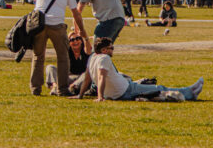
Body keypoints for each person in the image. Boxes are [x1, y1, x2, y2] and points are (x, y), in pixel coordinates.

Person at [73, 37, 204, 102]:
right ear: (104, 50)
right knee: (160, 88)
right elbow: (101, 77)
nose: (113, 50)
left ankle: (188, 91)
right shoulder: (104, 58)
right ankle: (190, 92)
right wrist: (100, 97)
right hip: (126, 90)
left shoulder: (92, 57)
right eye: (111, 48)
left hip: (124, 88)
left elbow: (88, 79)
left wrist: (80, 95)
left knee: (149, 87)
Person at [30, 0, 89, 96]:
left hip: (38, 25)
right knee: (63, 57)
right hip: (56, 25)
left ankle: (35, 88)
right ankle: (62, 89)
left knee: (38, 56)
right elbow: (75, 13)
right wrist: (82, 30)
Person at [46, 29, 92, 93]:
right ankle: (55, 87)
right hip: (68, 77)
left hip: (81, 78)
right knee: (50, 67)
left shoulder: (85, 50)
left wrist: (86, 38)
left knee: (88, 73)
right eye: (72, 40)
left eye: (77, 39)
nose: (75, 41)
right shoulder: (66, 52)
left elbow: (89, 50)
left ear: (81, 41)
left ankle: (72, 87)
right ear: (69, 43)